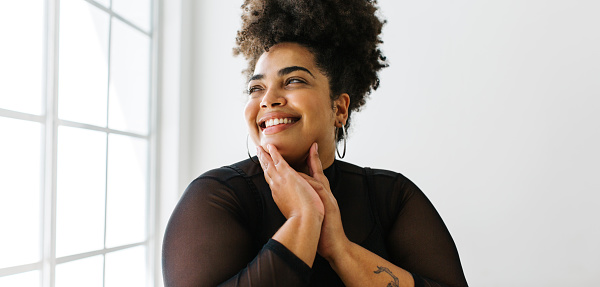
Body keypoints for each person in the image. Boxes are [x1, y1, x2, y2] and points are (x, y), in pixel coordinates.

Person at [162, 0, 468, 286]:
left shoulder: (392, 198)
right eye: (256, 87)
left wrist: (339, 249)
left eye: (294, 80)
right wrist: (304, 219)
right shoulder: (216, 196)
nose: (268, 100)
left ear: (339, 108)